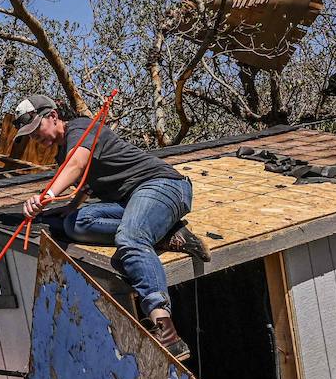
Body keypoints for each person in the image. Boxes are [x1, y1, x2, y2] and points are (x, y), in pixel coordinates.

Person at [13, 94, 209, 360]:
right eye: (31, 135)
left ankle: (167, 333)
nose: (36, 138)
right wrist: (69, 208)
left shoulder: (81, 129)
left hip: (164, 186)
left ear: (53, 116)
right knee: (75, 224)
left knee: (130, 238)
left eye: (37, 130)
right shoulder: (64, 153)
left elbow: (77, 164)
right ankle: (167, 234)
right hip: (132, 201)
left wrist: (45, 196)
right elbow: (82, 184)